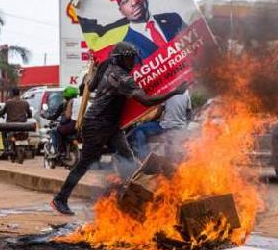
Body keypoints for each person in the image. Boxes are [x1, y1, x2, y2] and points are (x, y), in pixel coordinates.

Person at [51, 41, 188, 215]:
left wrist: (95, 69)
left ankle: (132, 197)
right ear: (120, 59)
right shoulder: (123, 79)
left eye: (132, 58)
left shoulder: (106, 65)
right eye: (129, 59)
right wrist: (174, 92)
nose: (132, 63)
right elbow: (146, 100)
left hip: (110, 125)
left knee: (128, 157)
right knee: (84, 164)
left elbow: (91, 86)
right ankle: (60, 199)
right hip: (96, 124)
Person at [111, 0, 186, 59]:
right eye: (126, 0)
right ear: (121, 11)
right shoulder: (126, 49)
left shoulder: (174, 19)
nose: (134, 2)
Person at [130, 90, 192, 160]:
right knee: (169, 144)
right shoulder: (186, 93)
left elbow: (158, 113)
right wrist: (184, 126)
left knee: (138, 129)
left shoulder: (166, 93)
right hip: (179, 128)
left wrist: (149, 121)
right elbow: (189, 112)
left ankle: (144, 157)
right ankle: (170, 160)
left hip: (165, 126)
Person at [42, 86, 79, 156]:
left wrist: (48, 117)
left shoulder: (66, 103)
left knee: (55, 131)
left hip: (70, 125)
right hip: (80, 126)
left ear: (66, 96)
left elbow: (59, 116)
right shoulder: (79, 102)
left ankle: (60, 151)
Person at [0, 87, 32, 154]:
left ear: (12, 93)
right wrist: (28, 117)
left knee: (3, 131)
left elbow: (2, 112)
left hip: (11, 126)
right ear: (19, 93)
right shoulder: (25, 102)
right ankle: (27, 148)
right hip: (23, 126)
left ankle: (6, 148)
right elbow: (30, 114)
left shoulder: (8, 102)